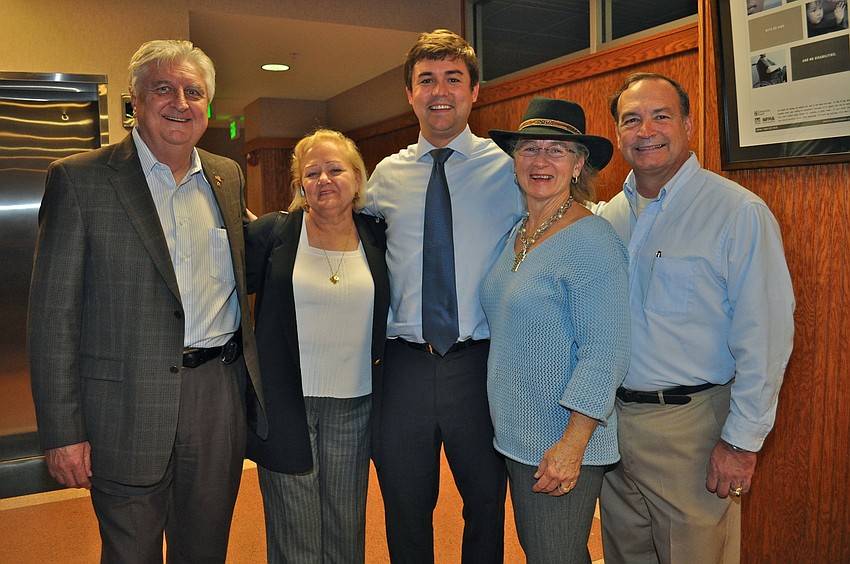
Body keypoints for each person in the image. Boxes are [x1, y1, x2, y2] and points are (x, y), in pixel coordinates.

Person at [27, 39, 266, 562]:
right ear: (135, 99)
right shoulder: (80, 179)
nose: (180, 101)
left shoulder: (226, 177)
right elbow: (52, 320)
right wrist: (64, 432)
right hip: (123, 406)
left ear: (208, 104)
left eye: (193, 91)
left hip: (215, 398)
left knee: (205, 549)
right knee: (130, 552)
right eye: (164, 88)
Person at [596, 73, 795, 563]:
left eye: (661, 116)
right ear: (618, 133)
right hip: (613, 430)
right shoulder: (606, 218)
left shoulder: (737, 213)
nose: (647, 130)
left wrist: (742, 443)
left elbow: (766, 337)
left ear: (687, 123)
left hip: (693, 435)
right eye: (632, 119)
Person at [364, 29, 524, 562]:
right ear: (409, 94)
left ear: (475, 92)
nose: (440, 91)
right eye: (426, 80)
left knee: (485, 504)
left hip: (481, 365)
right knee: (404, 508)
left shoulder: (509, 170)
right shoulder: (385, 176)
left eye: (453, 79)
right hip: (404, 369)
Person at [482, 97, 630, 563]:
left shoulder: (593, 240)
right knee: (548, 552)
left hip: (560, 440)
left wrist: (572, 446)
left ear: (579, 163)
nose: (541, 160)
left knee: (554, 556)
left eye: (557, 149)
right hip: (520, 437)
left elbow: (605, 352)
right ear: (514, 160)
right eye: (529, 148)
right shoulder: (520, 232)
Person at [243, 129, 389, 563]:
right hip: (287, 404)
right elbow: (221, 286)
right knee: (295, 533)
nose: (324, 179)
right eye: (312, 172)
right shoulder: (274, 234)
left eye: (335, 169)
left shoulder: (379, 236)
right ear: (300, 185)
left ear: (359, 179)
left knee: (346, 527)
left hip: (356, 407)